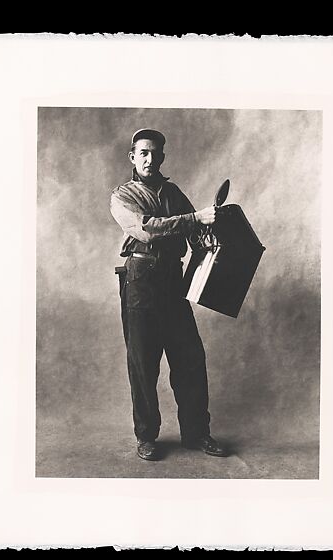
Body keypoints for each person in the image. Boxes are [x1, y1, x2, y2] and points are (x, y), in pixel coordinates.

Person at [110, 128, 228, 461]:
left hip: (173, 283)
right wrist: (194, 218)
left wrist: (213, 231)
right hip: (141, 281)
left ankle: (196, 433)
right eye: (142, 152)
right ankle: (146, 437)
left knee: (190, 360)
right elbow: (145, 229)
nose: (149, 158)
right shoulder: (122, 195)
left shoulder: (173, 192)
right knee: (144, 365)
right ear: (133, 157)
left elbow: (197, 231)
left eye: (155, 153)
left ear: (162, 157)